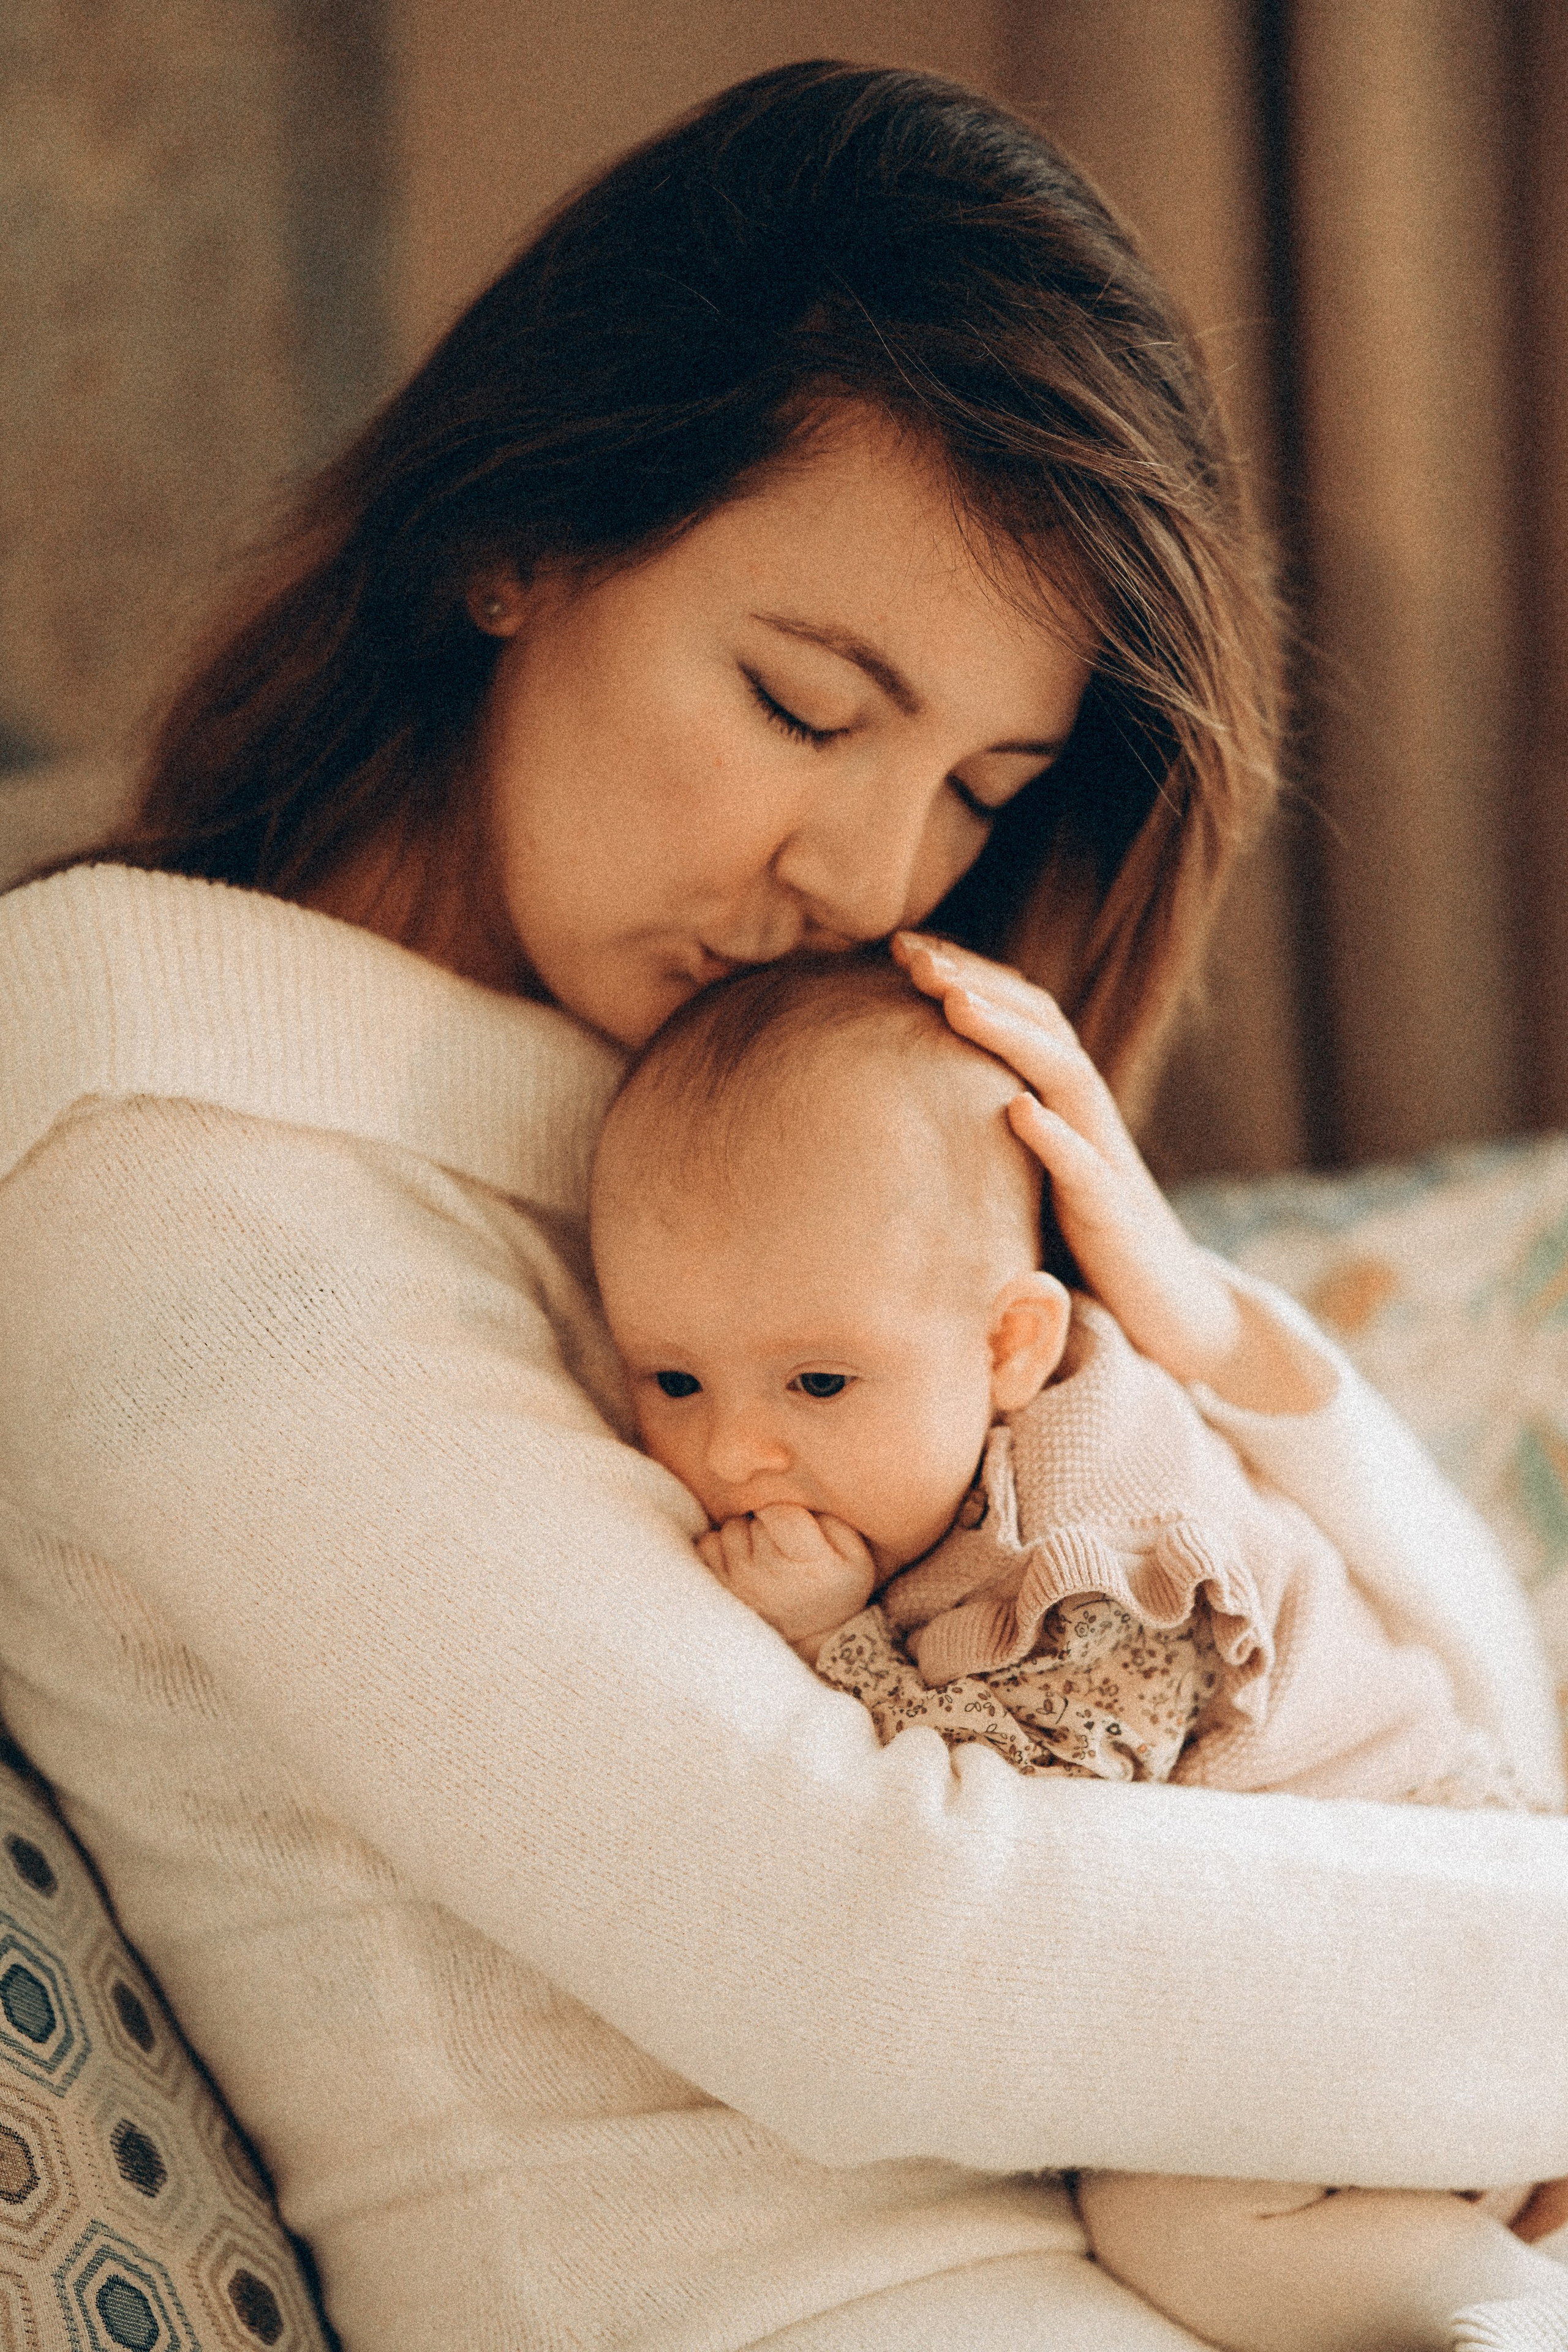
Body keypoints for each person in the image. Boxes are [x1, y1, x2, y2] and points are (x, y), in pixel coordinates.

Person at [1, 58, 1565, 2352]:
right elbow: (858, 1950)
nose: (873, 874)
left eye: (978, 788)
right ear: (513, 538)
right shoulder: (167, 1175)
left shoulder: (702, 1116)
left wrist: (1198, 1327)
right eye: (806, 705)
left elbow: (1450, 1712)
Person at [588, 944, 1568, 2352]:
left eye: (817, 1381)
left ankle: (1495, 2316)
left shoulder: (1092, 1541)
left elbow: (1046, 1837)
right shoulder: (952, 1459)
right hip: (1325, 1976)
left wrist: (827, 1644)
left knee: (1174, 2218)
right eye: (671, 1380)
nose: (735, 1449)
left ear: (1008, 1346)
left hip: (1405, 1951)